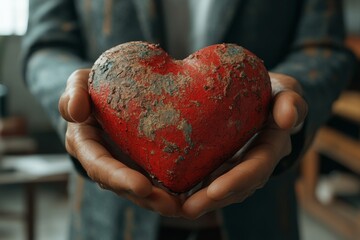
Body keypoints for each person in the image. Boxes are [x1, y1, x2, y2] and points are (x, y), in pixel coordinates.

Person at [22, 0, 355, 239]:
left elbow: (323, 47)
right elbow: (47, 46)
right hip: (106, 219)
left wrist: (291, 104)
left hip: (261, 214)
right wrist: (78, 104)